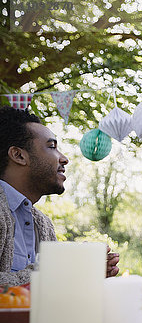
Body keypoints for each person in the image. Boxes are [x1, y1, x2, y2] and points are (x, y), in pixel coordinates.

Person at [0, 106, 120, 286]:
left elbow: (51, 290)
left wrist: (84, 277)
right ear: (18, 155)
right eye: (52, 147)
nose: (64, 159)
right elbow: (49, 277)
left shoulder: (43, 224)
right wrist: (64, 266)